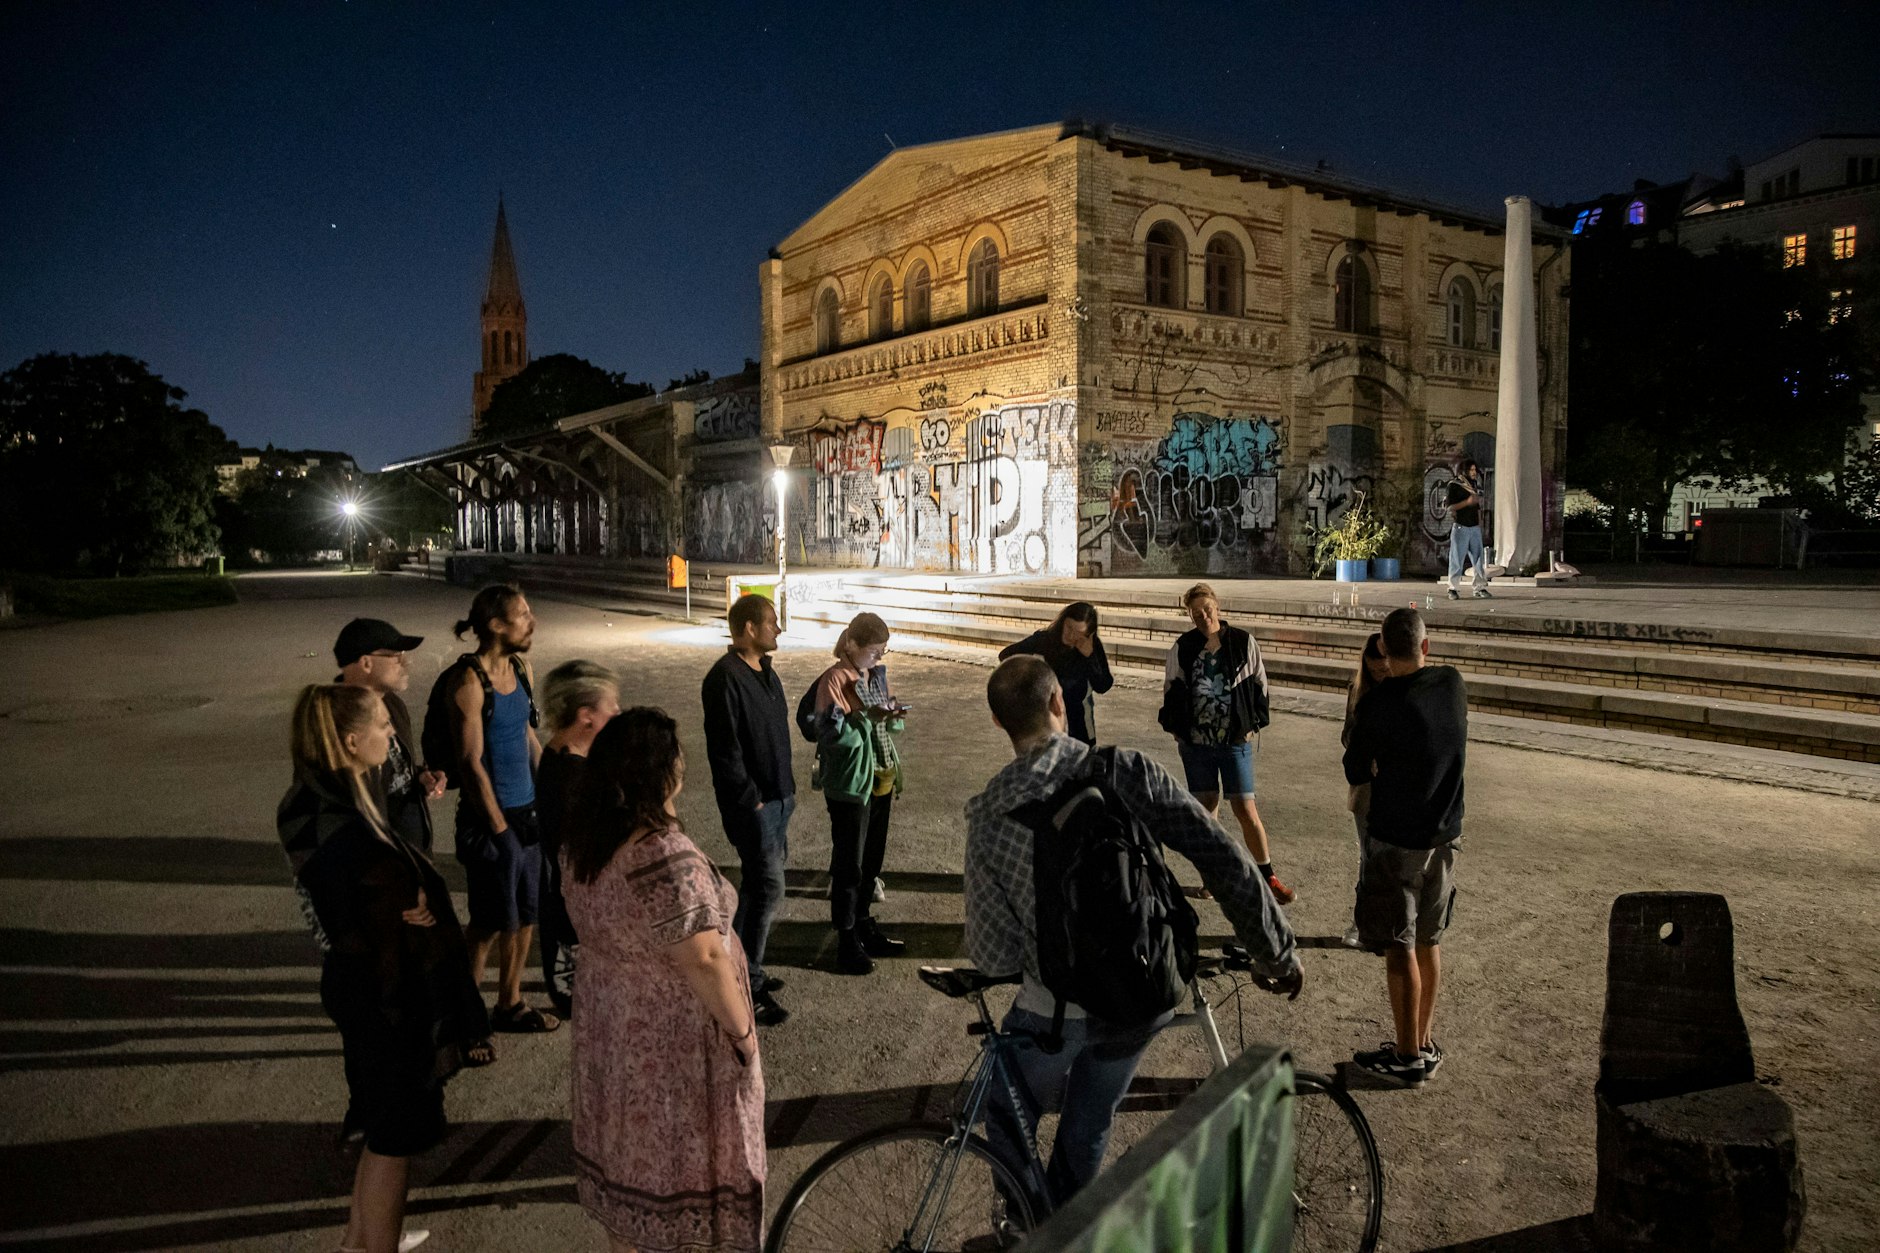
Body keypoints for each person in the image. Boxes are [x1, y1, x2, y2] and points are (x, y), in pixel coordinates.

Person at [966, 656, 1303, 1211]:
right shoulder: (1124, 770)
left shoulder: (988, 811)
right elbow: (1221, 856)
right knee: (1091, 1117)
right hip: (1142, 992)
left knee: (1004, 1108)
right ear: (1059, 704)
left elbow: (993, 950)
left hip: (1053, 1011)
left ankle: (1033, 1224)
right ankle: (1063, 1233)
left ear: (999, 723)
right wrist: (1276, 950)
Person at [281, 684, 487, 1253]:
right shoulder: (349, 829)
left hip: (355, 987)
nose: (392, 734)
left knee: (380, 1128)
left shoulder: (311, 801)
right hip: (385, 998)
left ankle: (358, 1239)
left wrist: (407, 905)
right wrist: (415, 918)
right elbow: (368, 918)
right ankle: (376, 1242)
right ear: (351, 742)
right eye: (382, 726)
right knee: (395, 1138)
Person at [562, 709, 766, 1253]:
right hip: (668, 1042)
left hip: (612, 1030)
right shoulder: (660, 854)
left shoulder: (587, 840)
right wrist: (743, 1035)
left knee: (628, 1168)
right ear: (661, 772)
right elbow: (703, 958)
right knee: (677, 1162)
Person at [1342, 608, 1468, 1086]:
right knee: (1431, 939)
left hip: (1396, 838)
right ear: (1426, 646)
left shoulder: (1379, 704)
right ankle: (1424, 1039)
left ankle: (1406, 1055)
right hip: (1446, 834)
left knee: (1400, 947)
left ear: (1384, 652)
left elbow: (1355, 767)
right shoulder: (1452, 684)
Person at [448, 585, 559, 1041]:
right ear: (496, 625)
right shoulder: (469, 682)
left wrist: (551, 793)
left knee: (529, 913)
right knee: (489, 922)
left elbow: (528, 738)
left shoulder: (521, 668)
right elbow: (471, 763)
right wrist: (499, 829)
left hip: (526, 811)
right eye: (523, 615)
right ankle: (465, 1016)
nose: (531, 622)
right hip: (489, 821)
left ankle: (509, 1002)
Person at [1156, 583, 1294, 905]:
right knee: (1206, 813)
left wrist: (1253, 724)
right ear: (1189, 615)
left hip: (1234, 741)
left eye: (1207, 608)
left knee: (1246, 809)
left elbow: (1261, 684)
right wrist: (1177, 730)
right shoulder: (1184, 647)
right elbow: (1170, 688)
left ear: (1218, 607)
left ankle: (1268, 878)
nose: (1203, 616)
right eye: (1195, 612)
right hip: (1197, 745)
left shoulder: (1243, 642)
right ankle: (1212, 879)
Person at [702, 593, 796, 1026]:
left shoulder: (766, 672)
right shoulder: (724, 678)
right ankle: (745, 982)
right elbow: (726, 749)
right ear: (748, 629)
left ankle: (744, 966)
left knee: (760, 887)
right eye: (771, 622)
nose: (778, 629)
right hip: (754, 805)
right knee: (768, 888)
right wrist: (750, 798)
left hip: (780, 798)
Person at [807, 612, 906, 976]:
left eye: (883, 652)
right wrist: (868, 719)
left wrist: (892, 715)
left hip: (880, 778)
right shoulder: (835, 679)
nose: (879, 658)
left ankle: (863, 923)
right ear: (851, 645)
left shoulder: (872, 675)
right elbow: (830, 735)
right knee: (849, 865)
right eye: (874, 651)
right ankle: (846, 940)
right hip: (850, 785)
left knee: (871, 862)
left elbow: (882, 729)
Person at [534, 659, 621, 1020]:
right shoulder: (571, 779)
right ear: (586, 716)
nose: (618, 711)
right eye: (611, 706)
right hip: (575, 922)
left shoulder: (562, 758)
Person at [334, 617, 444, 855]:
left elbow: (392, 766)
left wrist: (419, 776)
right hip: (378, 865)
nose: (405, 662)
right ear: (365, 663)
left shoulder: (393, 704)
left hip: (412, 854)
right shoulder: (337, 721)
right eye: (395, 655)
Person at [998, 601, 1114, 746]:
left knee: (1081, 765)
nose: (1071, 635)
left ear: (1088, 635)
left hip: (1080, 723)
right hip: (1047, 721)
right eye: (1069, 627)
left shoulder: (1092, 647)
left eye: (1078, 633)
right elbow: (1006, 655)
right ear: (1062, 621)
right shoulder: (1044, 640)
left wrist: (1089, 657)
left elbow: (1103, 685)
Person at [1339, 632, 1392, 948]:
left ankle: (1387, 925)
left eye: (1385, 665)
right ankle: (1362, 924)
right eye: (1374, 666)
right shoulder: (1358, 690)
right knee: (1368, 855)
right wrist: (1365, 753)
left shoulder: (1403, 691)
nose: (1381, 671)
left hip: (1394, 786)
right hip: (1366, 785)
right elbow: (1347, 735)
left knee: (1391, 858)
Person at [1445, 458, 1492, 599]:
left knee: (1478, 559)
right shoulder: (1454, 485)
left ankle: (1479, 587)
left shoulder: (1473, 485)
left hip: (1474, 527)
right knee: (1457, 559)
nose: (1473, 473)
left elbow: (1476, 506)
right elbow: (1450, 507)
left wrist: (1480, 522)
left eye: (1474, 470)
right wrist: (1467, 502)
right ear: (1464, 471)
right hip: (1461, 527)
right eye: (1471, 470)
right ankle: (1453, 588)